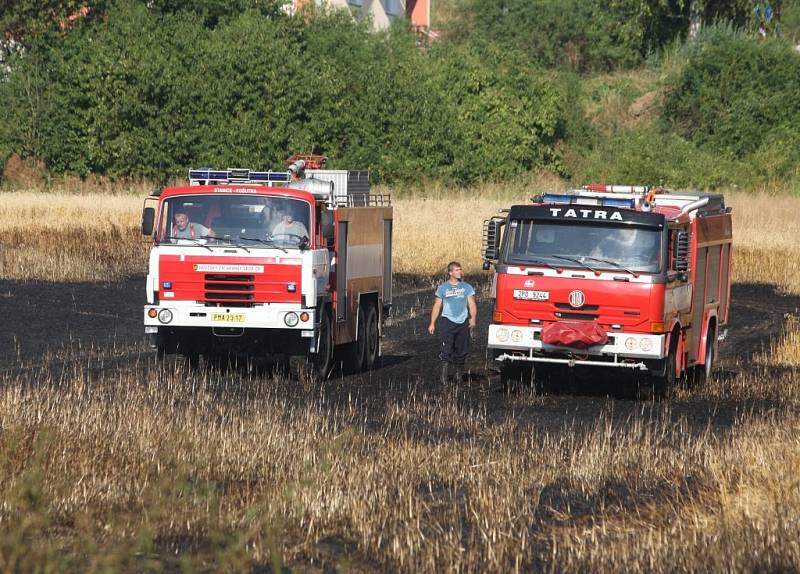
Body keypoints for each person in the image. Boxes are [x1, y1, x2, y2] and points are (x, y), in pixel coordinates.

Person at [428, 261, 477, 383]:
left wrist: (473, 318)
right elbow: (437, 306)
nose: (460, 272)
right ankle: (444, 377)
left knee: (461, 349)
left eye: (460, 269)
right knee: (446, 349)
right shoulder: (443, 288)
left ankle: (458, 375)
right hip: (447, 321)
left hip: (462, 321)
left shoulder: (467, 287)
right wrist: (432, 323)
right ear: (450, 272)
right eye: (456, 270)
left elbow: (472, 304)